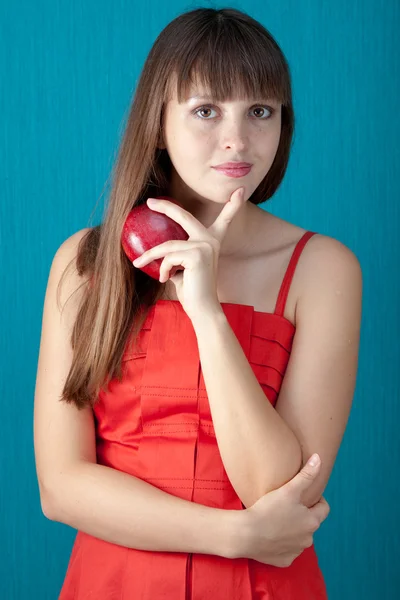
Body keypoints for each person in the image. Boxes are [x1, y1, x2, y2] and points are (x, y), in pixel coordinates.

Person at [33, 7, 362, 599]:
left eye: (260, 112)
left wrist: (206, 314)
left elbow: (280, 490)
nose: (238, 139)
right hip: (114, 583)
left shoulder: (322, 269)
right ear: (157, 121)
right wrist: (233, 535)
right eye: (206, 110)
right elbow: (61, 487)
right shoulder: (85, 263)